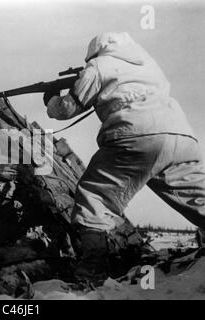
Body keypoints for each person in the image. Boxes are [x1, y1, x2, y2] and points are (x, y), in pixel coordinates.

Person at [44, 32, 205, 279]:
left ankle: (93, 269)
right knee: (197, 197)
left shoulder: (97, 66)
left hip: (137, 134)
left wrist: (52, 100)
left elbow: (68, 108)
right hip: (181, 136)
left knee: (93, 196)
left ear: (93, 53)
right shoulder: (147, 65)